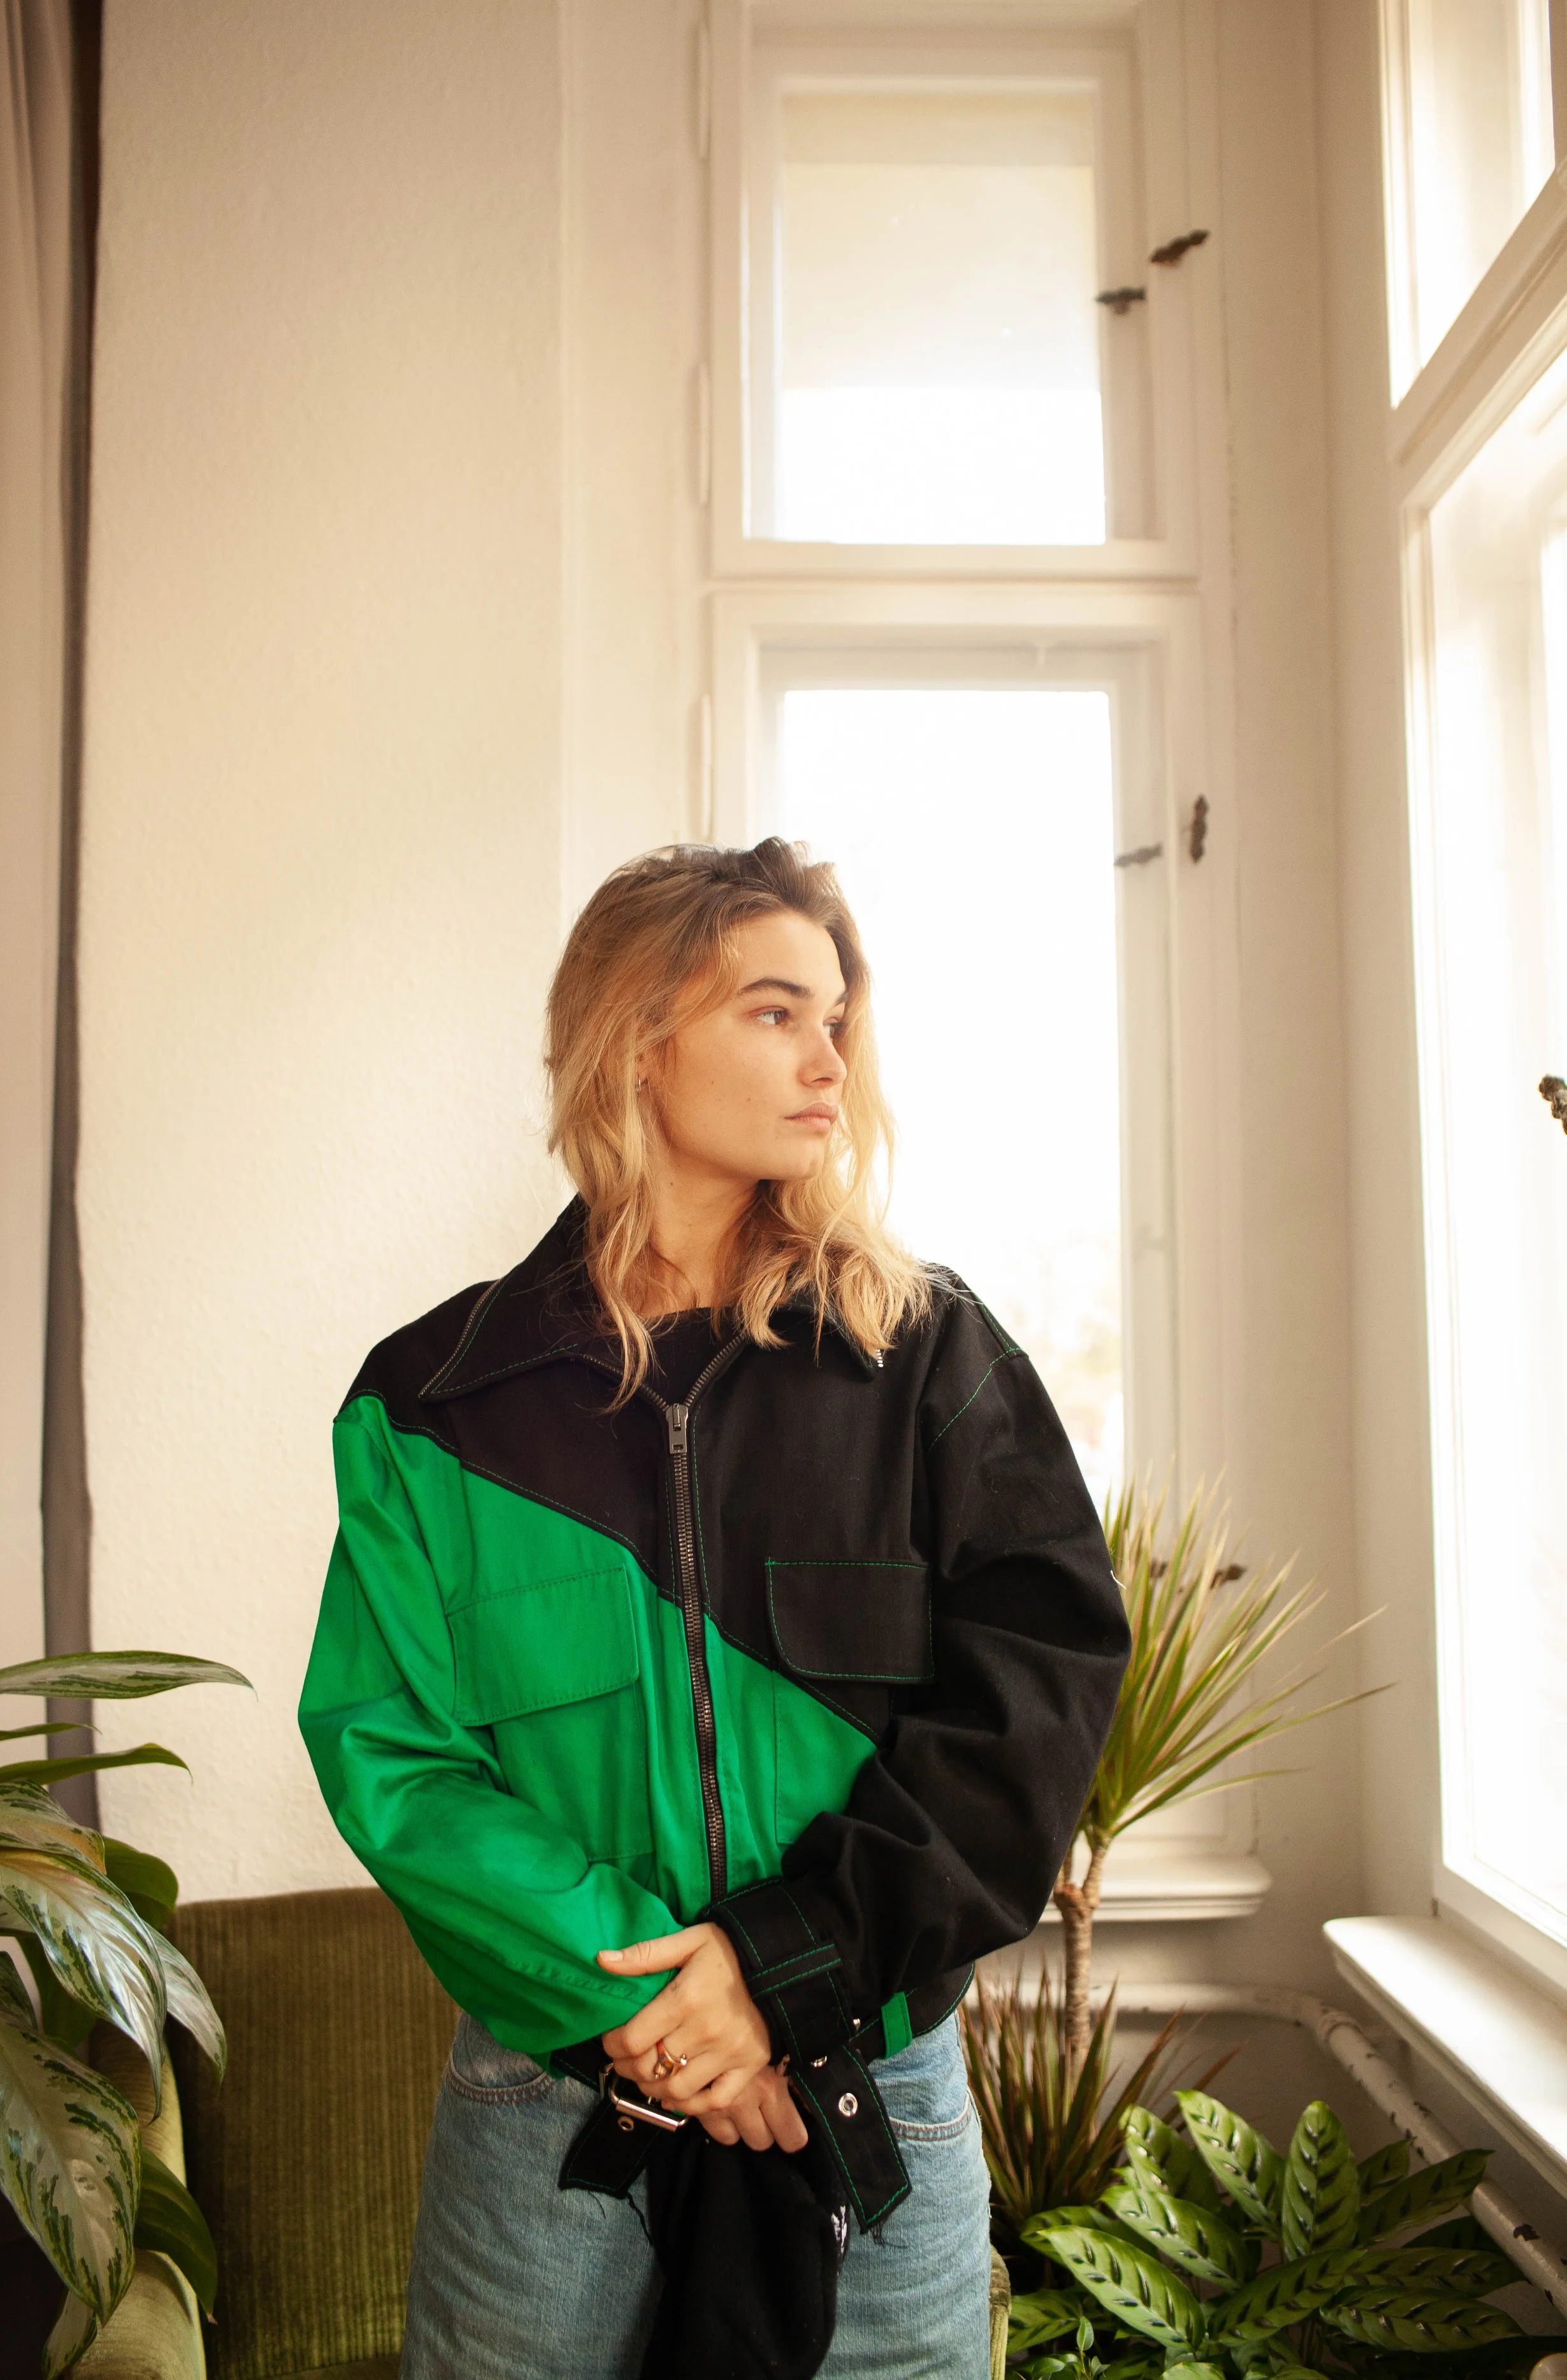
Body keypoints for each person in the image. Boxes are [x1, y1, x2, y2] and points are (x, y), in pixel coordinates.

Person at [300, 838, 1130, 2380]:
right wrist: (664, 2011)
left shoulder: (928, 1360)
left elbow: (1041, 1698)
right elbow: (391, 1757)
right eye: (772, 1012)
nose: (827, 1057)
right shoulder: (430, 1405)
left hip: (874, 2100)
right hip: (555, 2125)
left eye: (835, 1020)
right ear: (637, 1037)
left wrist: (778, 1970)